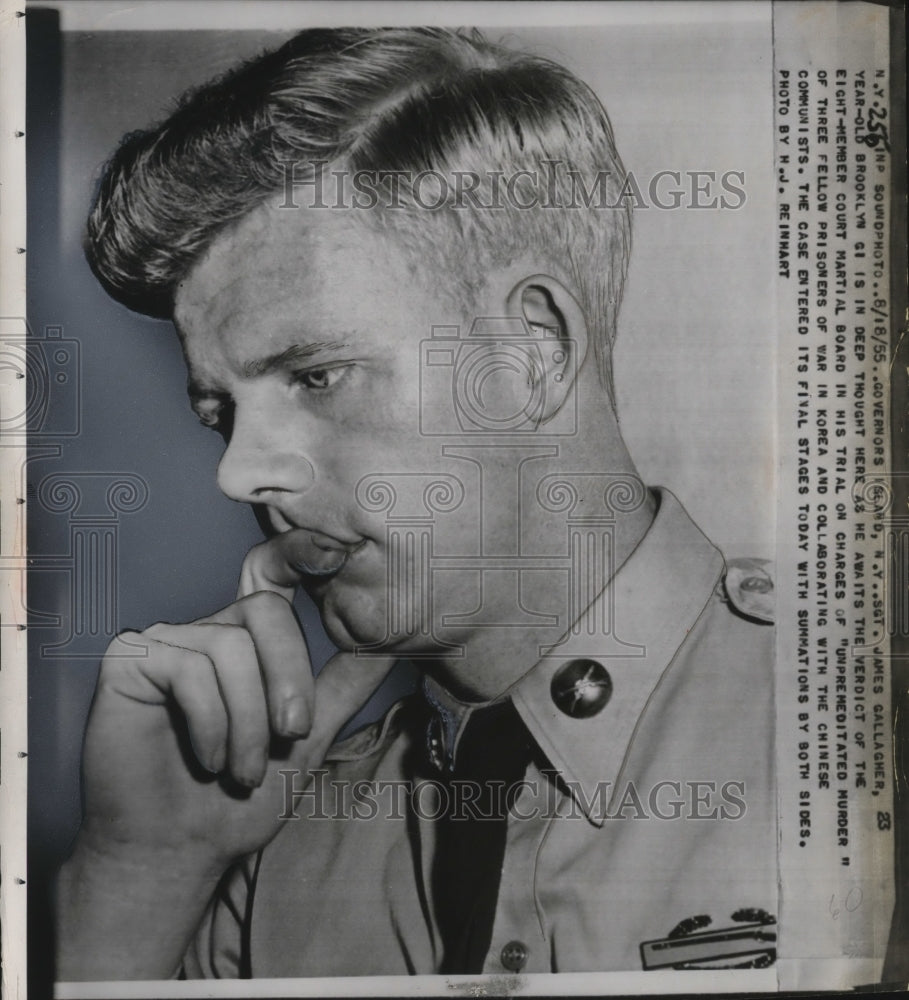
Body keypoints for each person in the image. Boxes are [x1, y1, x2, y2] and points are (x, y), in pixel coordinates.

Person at [56, 27, 777, 980]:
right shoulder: (273, 841)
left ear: (531, 352)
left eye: (316, 376)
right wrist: (146, 867)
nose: (238, 473)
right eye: (218, 411)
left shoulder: (844, 737)